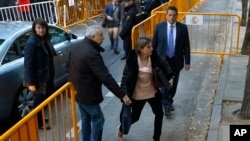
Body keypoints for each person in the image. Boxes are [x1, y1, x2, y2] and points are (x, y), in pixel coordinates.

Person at [67, 25, 131, 141]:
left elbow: (68, 66)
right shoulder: (91, 53)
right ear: (92, 37)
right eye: (101, 35)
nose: (103, 38)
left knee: (86, 117)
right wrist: (122, 94)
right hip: (87, 94)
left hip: (76, 92)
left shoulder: (75, 46)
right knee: (98, 119)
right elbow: (105, 77)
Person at [117, 37, 175, 141]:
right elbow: (125, 79)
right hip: (138, 94)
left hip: (153, 92)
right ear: (141, 49)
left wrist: (171, 76)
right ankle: (121, 129)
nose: (152, 49)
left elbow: (164, 64)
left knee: (159, 114)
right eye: (149, 47)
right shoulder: (132, 60)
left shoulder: (153, 56)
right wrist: (125, 94)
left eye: (151, 46)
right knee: (135, 117)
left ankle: (156, 138)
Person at [152, 6, 191, 117]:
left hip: (176, 60)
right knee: (165, 85)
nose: (172, 17)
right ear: (166, 15)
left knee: (173, 85)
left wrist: (187, 61)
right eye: (170, 15)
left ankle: (169, 100)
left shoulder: (183, 28)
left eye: (174, 15)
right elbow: (154, 45)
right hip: (163, 61)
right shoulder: (159, 27)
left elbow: (186, 46)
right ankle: (167, 106)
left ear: (176, 16)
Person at [23, 18, 56, 129]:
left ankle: (39, 117)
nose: (41, 30)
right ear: (34, 28)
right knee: (39, 102)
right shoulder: (32, 43)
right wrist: (31, 83)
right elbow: (28, 65)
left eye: (43, 28)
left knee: (45, 99)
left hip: (47, 76)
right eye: (38, 28)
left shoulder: (45, 40)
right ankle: (39, 122)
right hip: (38, 79)